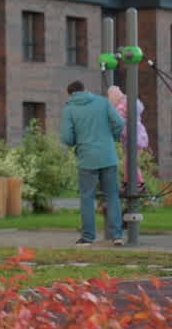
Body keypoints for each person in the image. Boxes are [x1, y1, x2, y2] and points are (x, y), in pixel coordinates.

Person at [60, 80, 125, 246]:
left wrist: (77, 142)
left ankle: (88, 237)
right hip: (108, 155)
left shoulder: (69, 109)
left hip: (87, 158)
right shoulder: (103, 102)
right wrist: (113, 138)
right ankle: (117, 236)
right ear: (85, 90)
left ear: (70, 94)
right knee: (112, 196)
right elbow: (119, 122)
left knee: (87, 198)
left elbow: (66, 138)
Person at [105, 85, 147, 187]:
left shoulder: (121, 105)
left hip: (133, 137)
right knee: (129, 161)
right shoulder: (129, 101)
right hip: (136, 136)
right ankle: (128, 182)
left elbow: (118, 120)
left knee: (129, 161)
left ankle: (137, 183)